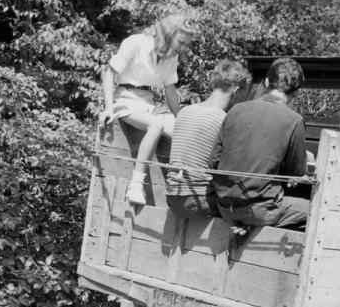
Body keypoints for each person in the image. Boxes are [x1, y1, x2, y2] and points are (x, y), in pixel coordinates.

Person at [101, 14, 198, 205]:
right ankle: (136, 185)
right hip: (125, 99)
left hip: (148, 103)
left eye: (186, 44)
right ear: (169, 34)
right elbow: (109, 75)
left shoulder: (172, 57)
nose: (183, 48)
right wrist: (108, 108)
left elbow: (170, 89)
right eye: (181, 42)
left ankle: (183, 179)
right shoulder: (135, 43)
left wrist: (180, 118)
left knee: (182, 129)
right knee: (156, 124)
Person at [211, 57, 310, 229]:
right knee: (318, 213)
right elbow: (295, 174)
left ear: (265, 82)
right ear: (297, 92)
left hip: (225, 207)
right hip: (259, 210)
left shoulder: (235, 110)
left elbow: (213, 161)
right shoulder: (294, 120)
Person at [165, 59, 252, 219]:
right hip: (198, 202)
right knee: (250, 210)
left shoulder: (185, 112)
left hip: (171, 197)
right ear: (237, 90)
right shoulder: (225, 120)